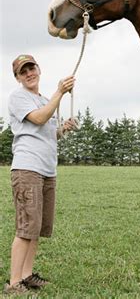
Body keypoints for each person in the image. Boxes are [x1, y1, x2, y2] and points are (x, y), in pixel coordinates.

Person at [4, 54, 77, 294]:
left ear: (38, 69)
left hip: (47, 170)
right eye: (23, 72)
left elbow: (46, 131)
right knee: (26, 226)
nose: (29, 74)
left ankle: (27, 276)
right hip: (27, 168)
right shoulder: (18, 97)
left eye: (31, 68)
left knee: (36, 228)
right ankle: (14, 283)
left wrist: (62, 128)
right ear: (17, 78)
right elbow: (38, 119)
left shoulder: (44, 99)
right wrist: (60, 92)